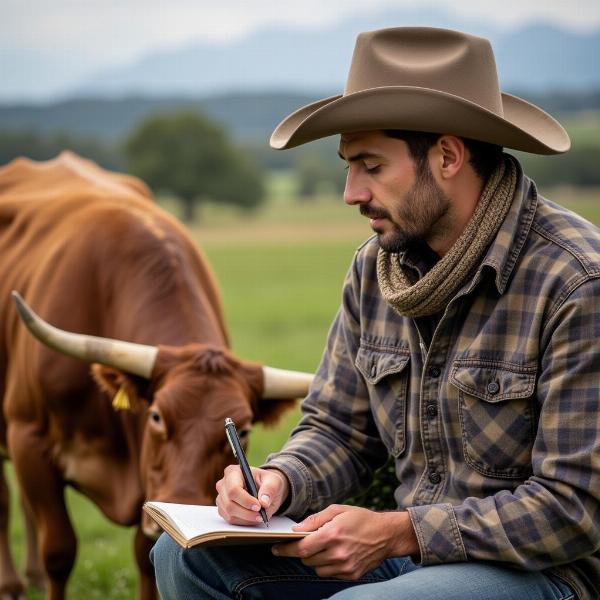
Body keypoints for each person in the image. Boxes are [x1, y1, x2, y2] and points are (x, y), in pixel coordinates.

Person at [151, 27, 599, 600]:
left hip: (543, 576)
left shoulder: (576, 283)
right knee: (185, 558)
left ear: (446, 156)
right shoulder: (374, 270)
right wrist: (277, 481)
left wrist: (398, 532)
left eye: (370, 166)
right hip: (411, 561)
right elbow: (337, 428)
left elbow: (574, 507)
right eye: (347, 167)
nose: (350, 192)